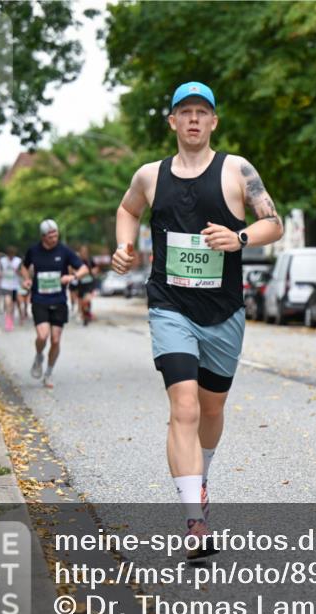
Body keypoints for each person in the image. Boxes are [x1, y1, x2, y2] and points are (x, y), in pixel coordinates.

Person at [111, 81, 283, 555]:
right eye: (183, 111)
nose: (192, 119)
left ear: (213, 122)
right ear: (171, 121)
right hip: (170, 306)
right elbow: (127, 209)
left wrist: (241, 238)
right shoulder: (150, 174)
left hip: (223, 311)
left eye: (201, 112)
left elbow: (274, 222)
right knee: (183, 407)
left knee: (211, 409)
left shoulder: (237, 170)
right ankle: (193, 520)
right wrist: (125, 247)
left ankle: (199, 474)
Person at [21, 219, 89, 388]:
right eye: (51, 236)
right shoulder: (34, 251)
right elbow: (23, 266)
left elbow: (84, 269)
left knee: (56, 340)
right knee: (42, 336)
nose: (54, 238)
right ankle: (38, 356)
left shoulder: (64, 251)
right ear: (43, 237)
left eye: (56, 235)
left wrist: (72, 277)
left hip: (58, 301)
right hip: (39, 299)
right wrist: (27, 279)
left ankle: (48, 374)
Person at [0, 246, 23, 331]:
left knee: (13, 305)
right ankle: (8, 322)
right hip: (5, 285)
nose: (11, 257)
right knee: (7, 303)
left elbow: (22, 273)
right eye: (9, 255)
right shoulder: (2, 261)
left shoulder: (18, 261)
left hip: (14, 286)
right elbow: (0, 271)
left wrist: (18, 272)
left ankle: (13, 319)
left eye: (12, 255)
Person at [74, 245, 97, 326]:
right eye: (82, 251)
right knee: (81, 303)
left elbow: (95, 268)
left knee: (86, 300)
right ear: (80, 252)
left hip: (89, 284)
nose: (84, 252)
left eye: (85, 251)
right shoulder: (77, 261)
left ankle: (87, 314)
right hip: (80, 285)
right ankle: (85, 314)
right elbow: (72, 269)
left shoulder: (90, 260)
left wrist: (94, 271)